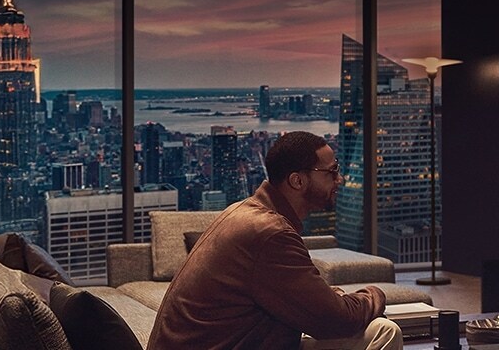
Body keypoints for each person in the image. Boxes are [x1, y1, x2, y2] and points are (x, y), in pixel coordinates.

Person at [148, 131, 401, 350]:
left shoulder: (245, 211)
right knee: (382, 331)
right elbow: (335, 320)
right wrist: (375, 295)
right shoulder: (270, 233)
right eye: (332, 171)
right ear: (297, 180)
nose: (340, 179)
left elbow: (308, 298)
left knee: (380, 330)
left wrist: (332, 299)